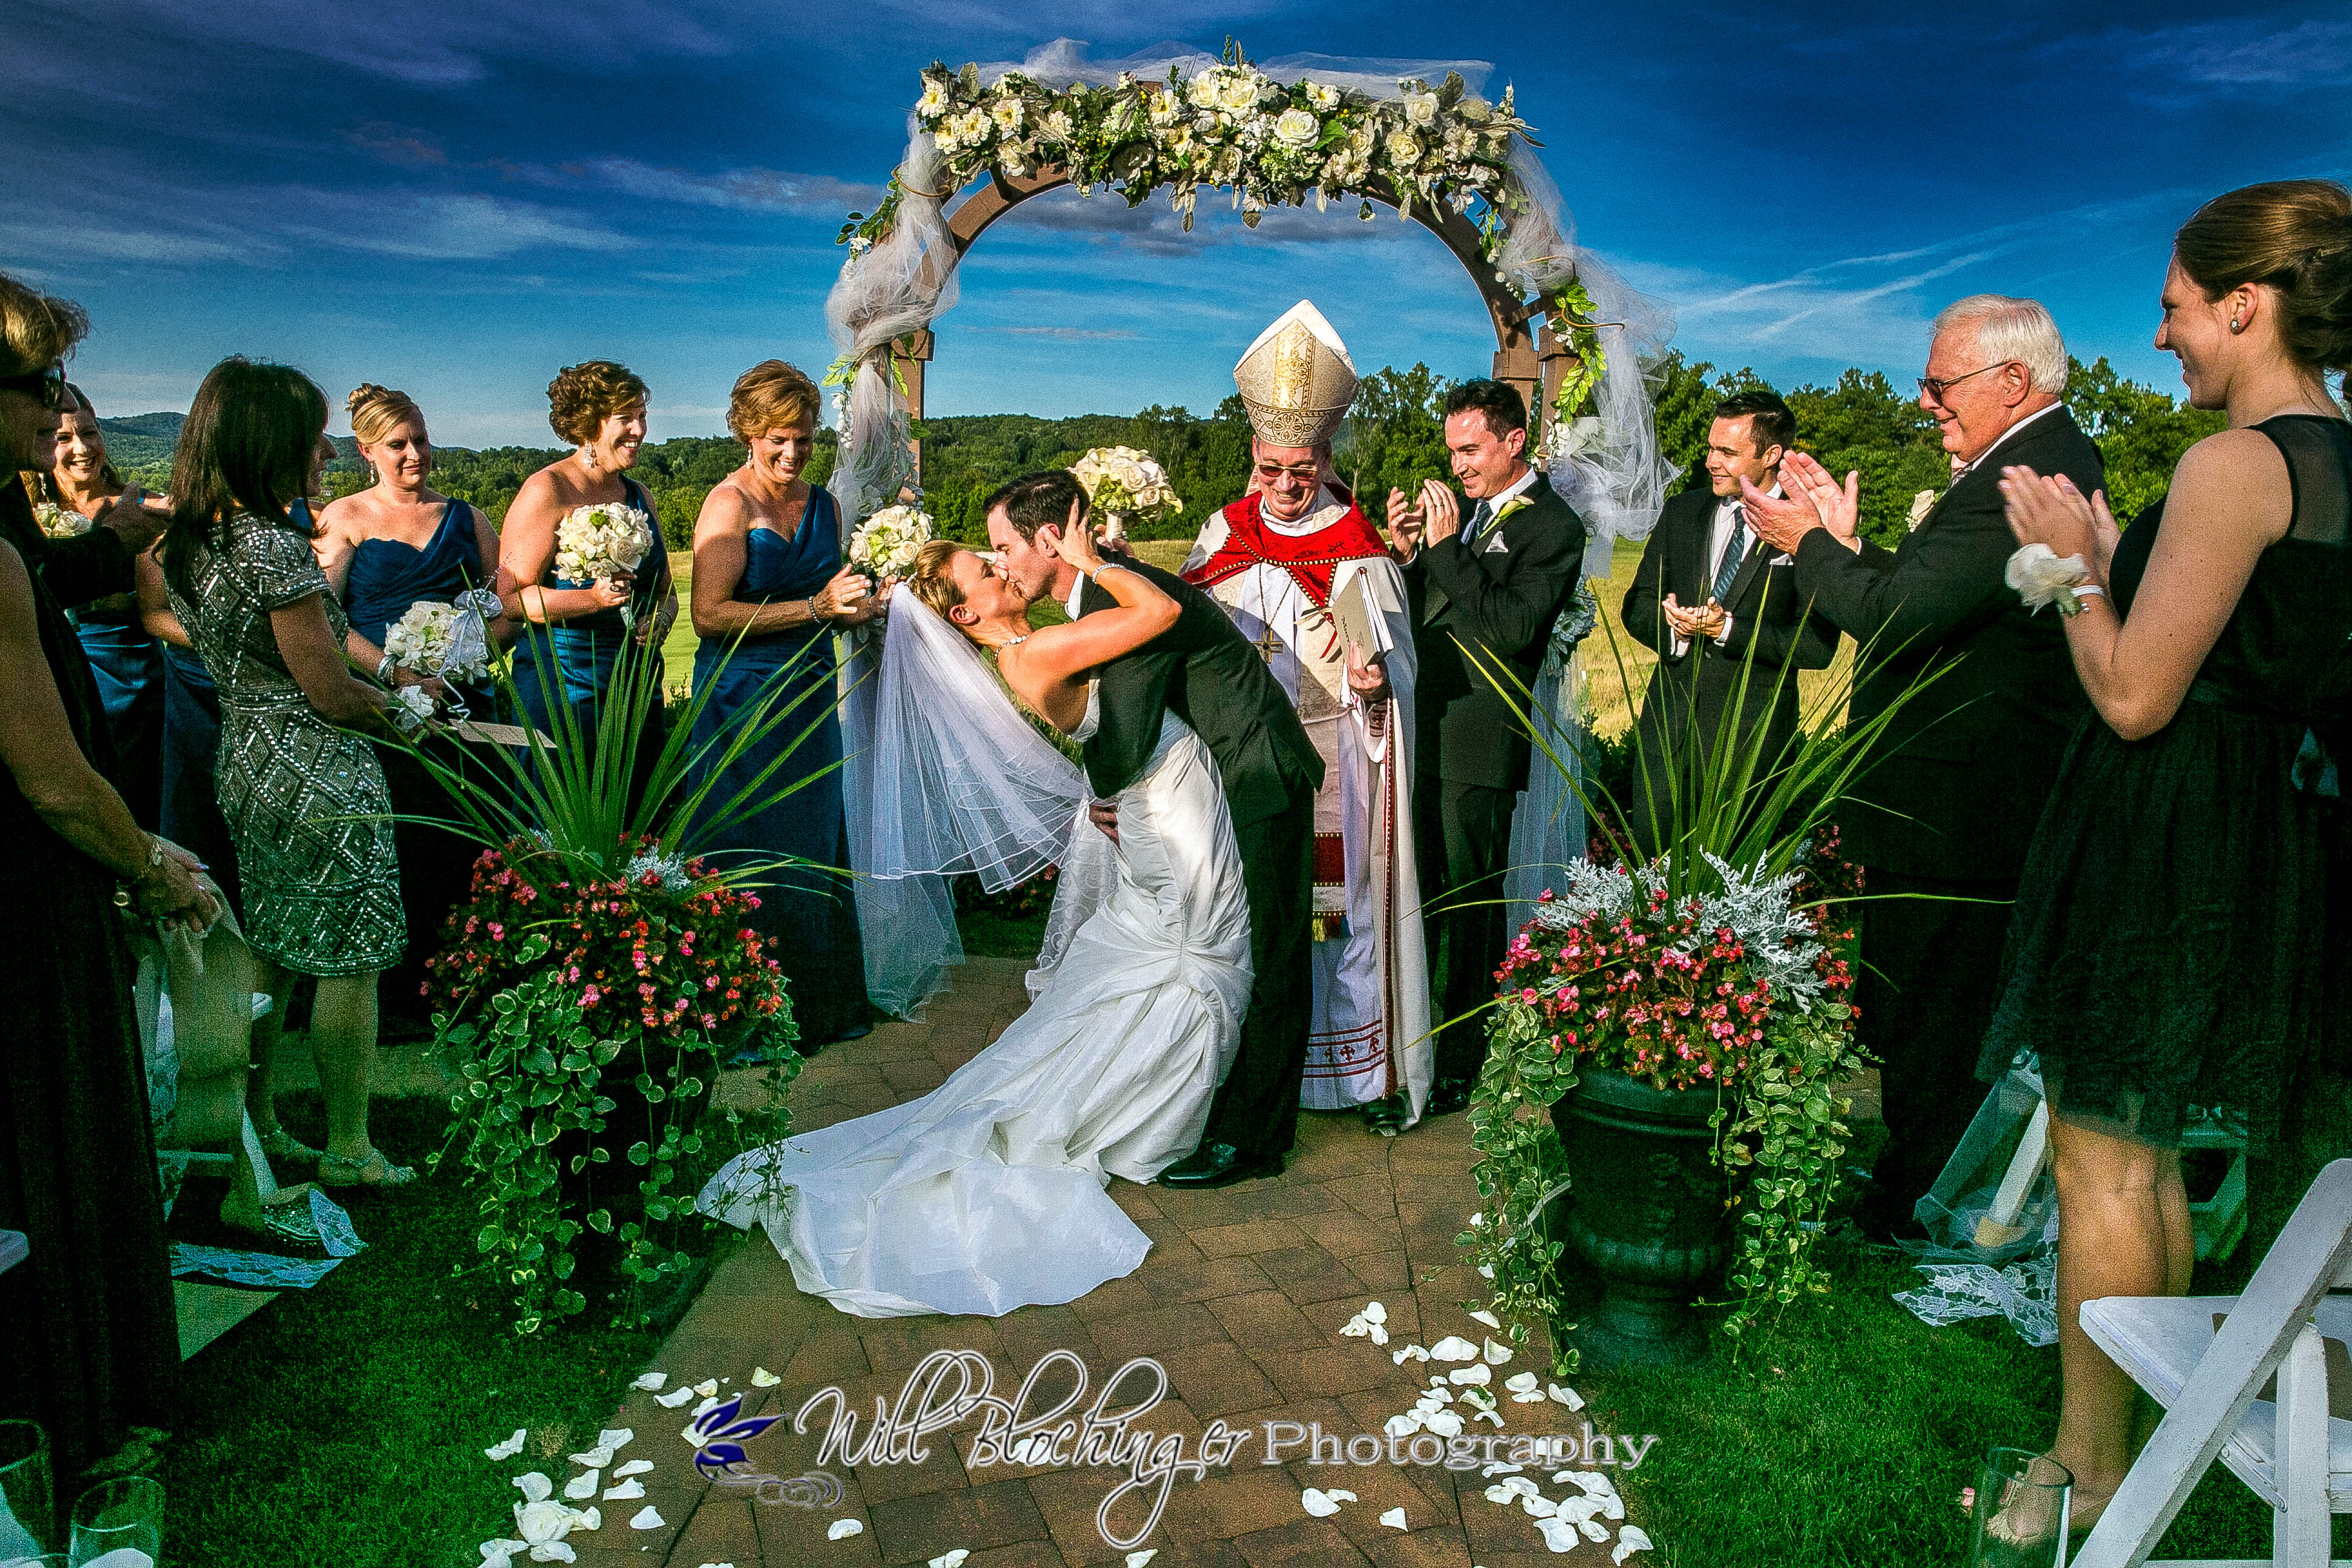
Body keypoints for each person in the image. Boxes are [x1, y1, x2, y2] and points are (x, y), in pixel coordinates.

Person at [1977, 180, 2352, 1538]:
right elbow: (2260, 639)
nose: (2159, 334)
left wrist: (2071, 569)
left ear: (2245, 305)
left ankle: (2086, 1473)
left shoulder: (2234, 463)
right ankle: (2193, 1433)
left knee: (2109, 1161)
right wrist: (2113, 550)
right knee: (2181, 1153)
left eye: (2176, 305)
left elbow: (2137, 693)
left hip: (2173, 837)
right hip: (2281, 837)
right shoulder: (2335, 462)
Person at [699, 526, 1254, 1315]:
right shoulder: (1034, 653)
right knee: (1190, 951)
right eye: (986, 571)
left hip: (1155, 804)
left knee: (1161, 954)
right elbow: (1158, 616)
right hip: (1166, 817)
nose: (1003, 568)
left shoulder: (1036, 642)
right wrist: (1093, 561)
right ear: (965, 615)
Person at [1742, 295, 2104, 1239]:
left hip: (1966, 806)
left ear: (2013, 381)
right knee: (1925, 1008)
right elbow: (1945, 598)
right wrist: (1850, 546)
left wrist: (1807, 544)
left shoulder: (2029, 472)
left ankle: (1920, 1203)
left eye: (1941, 384)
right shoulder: (2022, 464)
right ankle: (1917, 1180)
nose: (1925, 401)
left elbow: (1900, 617)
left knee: (1941, 1014)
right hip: (1953, 797)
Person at [0, 270, 210, 1477]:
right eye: (39, 385)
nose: (58, 408)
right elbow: (49, 778)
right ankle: (61, 1406)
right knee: (49, 1138)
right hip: (27, 899)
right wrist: (149, 863)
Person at [989, 471, 1324, 1187]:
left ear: (1047, 539)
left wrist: (1104, 791)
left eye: (1005, 547)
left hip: (1260, 769)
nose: (1002, 563)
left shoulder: (1116, 594)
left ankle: (1255, 1141)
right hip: (1224, 776)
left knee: (1273, 948)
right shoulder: (1101, 594)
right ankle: (1231, 1106)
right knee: (1250, 940)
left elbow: (1130, 727)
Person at [159, 356, 420, 1190]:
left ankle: (262, 1120)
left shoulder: (198, 541)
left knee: (271, 946)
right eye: (313, 439)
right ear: (267, 443)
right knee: (352, 956)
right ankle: (350, 1145)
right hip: (316, 769)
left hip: (246, 756)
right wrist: (415, 721)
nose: (327, 453)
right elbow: (331, 692)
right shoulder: (271, 547)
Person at [1179, 301, 1431, 1135]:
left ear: (1327, 457)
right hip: (1234, 764)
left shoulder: (1356, 548)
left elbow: (1393, 676)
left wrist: (1372, 686)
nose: (1288, 487)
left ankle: (1344, 1077)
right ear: (1254, 452)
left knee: (1327, 914)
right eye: (1273, 468)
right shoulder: (1222, 533)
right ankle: (1247, 1067)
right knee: (1242, 914)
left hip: (1327, 769)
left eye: (1304, 469)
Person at [1387, 379, 1589, 1115]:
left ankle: (1461, 1062)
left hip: (1480, 741)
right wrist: (1409, 557)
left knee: (1469, 908)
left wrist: (1446, 550)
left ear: (1514, 440)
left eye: (1471, 450)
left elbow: (1511, 628)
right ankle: (1409, 1046)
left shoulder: (1554, 526)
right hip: (1427, 726)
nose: (1459, 465)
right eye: (1453, 451)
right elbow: (1437, 608)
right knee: (1423, 898)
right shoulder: (1470, 515)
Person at [687, 361, 881, 1049]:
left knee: (811, 840)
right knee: (747, 845)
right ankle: (740, 1017)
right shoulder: (728, 505)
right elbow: (708, 615)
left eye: (803, 438)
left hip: (809, 694)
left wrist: (863, 607)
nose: (793, 452)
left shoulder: (826, 505)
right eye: (779, 439)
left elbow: (832, 599)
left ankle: (814, 1007)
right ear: (748, 432)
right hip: (741, 700)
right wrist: (815, 608)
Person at [316, 383, 516, 1037]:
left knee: (471, 841)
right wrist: (395, 672)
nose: (414, 455)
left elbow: (505, 611)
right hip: (383, 712)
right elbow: (325, 623)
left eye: (421, 440)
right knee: (400, 844)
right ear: (366, 450)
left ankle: (476, 986)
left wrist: (461, 656)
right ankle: (400, 998)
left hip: (465, 707)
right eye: (398, 444)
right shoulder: (343, 518)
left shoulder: (468, 518)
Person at [1619, 389, 1838, 856]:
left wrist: (1728, 631)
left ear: (1771, 455)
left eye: (1727, 452)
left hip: (1750, 751)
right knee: (1649, 882)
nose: (1710, 462)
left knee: (1731, 891)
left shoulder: (1811, 527)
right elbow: (1637, 604)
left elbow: (1816, 647)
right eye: (1711, 448)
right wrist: (1675, 629)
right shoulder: (1682, 512)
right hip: (1666, 737)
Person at [498, 360, 677, 753]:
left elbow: (666, 592)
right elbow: (511, 599)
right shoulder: (547, 490)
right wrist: (592, 600)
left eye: (643, 416)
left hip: (638, 686)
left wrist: (661, 621)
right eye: (626, 418)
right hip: (566, 690)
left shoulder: (640, 496)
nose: (639, 430)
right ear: (590, 424)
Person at [42, 386, 165, 829]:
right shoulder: (30, 519)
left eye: (90, 433)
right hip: (50, 676)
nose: (82, 449)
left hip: (133, 680)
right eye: (64, 438)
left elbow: (162, 601)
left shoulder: (142, 506)